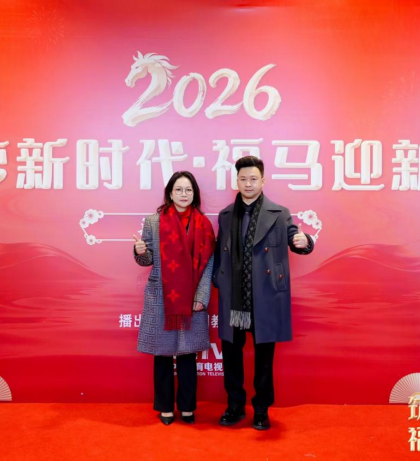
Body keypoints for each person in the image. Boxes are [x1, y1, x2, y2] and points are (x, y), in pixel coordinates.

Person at [213, 156, 314, 430]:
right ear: (236, 181)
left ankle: (261, 410)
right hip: (234, 298)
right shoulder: (226, 215)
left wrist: (305, 241)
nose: (248, 184)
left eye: (253, 179)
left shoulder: (279, 213)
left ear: (263, 181)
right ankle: (235, 406)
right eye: (243, 179)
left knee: (264, 359)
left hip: (265, 295)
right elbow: (219, 252)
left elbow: (296, 240)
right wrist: (218, 280)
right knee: (231, 356)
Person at [133, 171, 216, 425]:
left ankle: (188, 407)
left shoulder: (203, 224)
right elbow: (146, 259)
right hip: (161, 296)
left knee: (188, 354)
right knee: (163, 354)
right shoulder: (153, 222)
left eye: (188, 190)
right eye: (178, 189)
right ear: (170, 193)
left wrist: (202, 295)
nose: (183, 194)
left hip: (192, 297)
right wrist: (140, 251)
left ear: (195, 194)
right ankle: (166, 407)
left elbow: (209, 262)